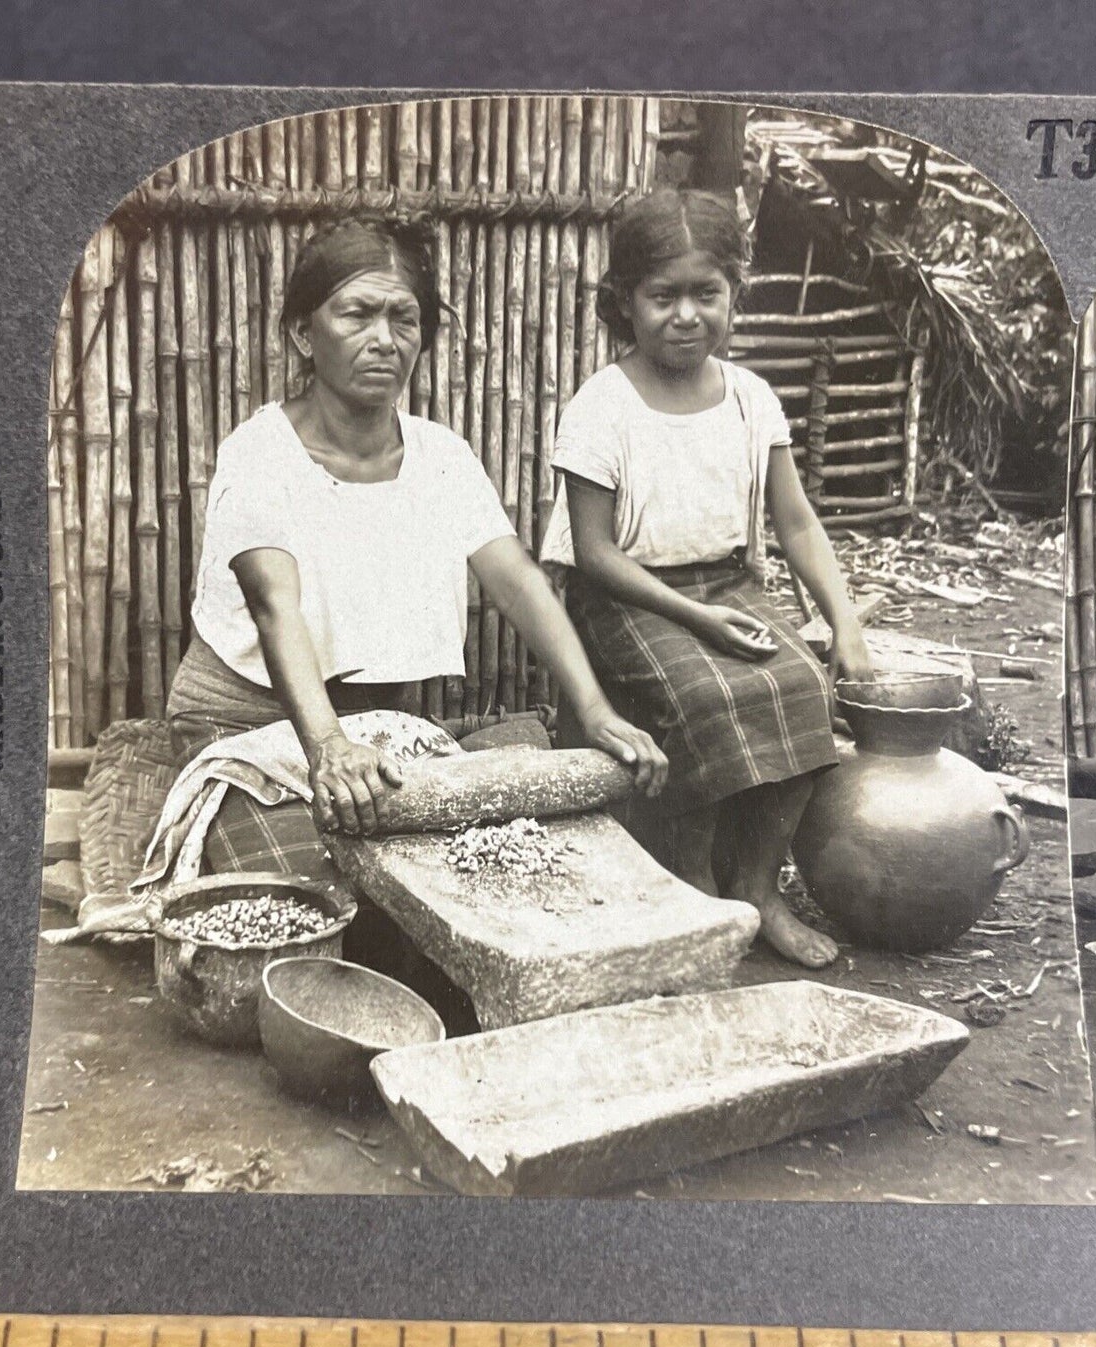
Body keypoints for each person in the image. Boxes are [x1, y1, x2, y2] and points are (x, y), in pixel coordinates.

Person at [165, 216, 666, 880]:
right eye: (357, 314)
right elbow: (272, 606)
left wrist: (596, 710)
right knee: (315, 886)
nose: (383, 340)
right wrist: (327, 749)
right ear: (301, 334)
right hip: (245, 717)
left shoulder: (440, 457)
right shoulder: (260, 454)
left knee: (463, 873)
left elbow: (516, 580)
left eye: (403, 319)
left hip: (373, 724)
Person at [537, 189, 873, 968]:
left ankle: (756, 886)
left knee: (799, 686)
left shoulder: (750, 398)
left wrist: (844, 621)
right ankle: (691, 887)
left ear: (735, 295)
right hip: (627, 593)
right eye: (661, 297)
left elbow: (794, 523)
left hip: (725, 584)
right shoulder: (602, 406)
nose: (684, 315)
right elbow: (592, 552)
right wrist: (693, 617)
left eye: (704, 294)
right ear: (624, 301)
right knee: (705, 699)